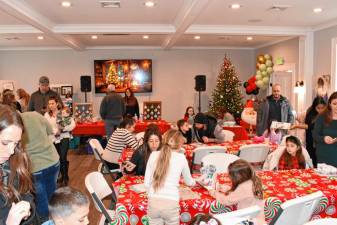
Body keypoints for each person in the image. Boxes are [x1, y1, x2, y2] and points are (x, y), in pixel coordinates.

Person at [145, 129, 195, 225]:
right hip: (171, 203)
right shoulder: (181, 158)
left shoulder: (153, 155)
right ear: (180, 144)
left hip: (153, 203)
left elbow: (147, 183)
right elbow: (189, 182)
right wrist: (197, 181)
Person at [21, 111, 60, 222]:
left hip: (35, 167)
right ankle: (55, 220)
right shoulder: (35, 115)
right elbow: (50, 131)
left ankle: (47, 222)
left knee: (42, 203)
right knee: (52, 196)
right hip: (52, 160)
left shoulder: (12, 126)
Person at [0, 105, 35, 225]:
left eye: (15, 143)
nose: (11, 151)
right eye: (5, 143)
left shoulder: (15, 161)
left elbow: (26, 194)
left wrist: (27, 210)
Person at [209, 159, 265, 225]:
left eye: (231, 176)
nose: (230, 178)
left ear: (237, 177)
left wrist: (214, 193)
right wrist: (227, 189)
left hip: (249, 219)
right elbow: (240, 194)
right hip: (258, 217)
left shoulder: (243, 187)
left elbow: (227, 201)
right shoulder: (253, 179)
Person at [291, 97, 327, 167]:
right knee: (312, 160)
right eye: (318, 108)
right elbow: (309, 126)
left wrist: (297, 126)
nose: (320, 110)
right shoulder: (310, 112)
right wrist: (296, 125)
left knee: (321, 162)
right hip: (311, 139)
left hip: (321, 141)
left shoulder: (326, 114)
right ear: (314, 107)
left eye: (322, 108)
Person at [313, 91, 337, 166]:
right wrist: (324, 138)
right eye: (334, 104)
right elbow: (315, 135)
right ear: (329, 104)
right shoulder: (321, 117)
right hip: (324, 153)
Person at [55, 107, 75, 186]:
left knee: (63, 157)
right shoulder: (58, 118)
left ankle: (65, 176)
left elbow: (72, 126)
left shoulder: (70, 119)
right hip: (55, 139)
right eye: (62, 112)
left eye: (64, 113)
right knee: (58, 158)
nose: (63, 114)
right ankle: (62, 175)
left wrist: (63, 128)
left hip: (65, 137)